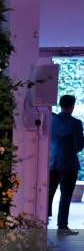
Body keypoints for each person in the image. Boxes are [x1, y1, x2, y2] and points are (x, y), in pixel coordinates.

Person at [48, 94, 84, 236]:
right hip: (68, 165)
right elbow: (78, 146)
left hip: (52, 162)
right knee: (65, 195)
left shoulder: (51, 119)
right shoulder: (75, 123)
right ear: (72, 106)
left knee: (49, 192)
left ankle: (42, 220)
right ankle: (62, 227)